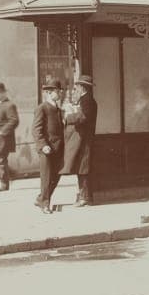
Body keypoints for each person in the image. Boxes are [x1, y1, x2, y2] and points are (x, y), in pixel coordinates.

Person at [60, 75, 95, 207]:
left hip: (84, 140)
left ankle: (84, 198)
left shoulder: (87, 101)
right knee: (82, 168)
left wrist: (68, 118)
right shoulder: (85, 100)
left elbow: (83, 118)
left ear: (82, 87)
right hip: (83, 139)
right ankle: (85, 196)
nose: (76, 89)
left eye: (77, 87)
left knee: (83, 169)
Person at [32, 80, 65, 214]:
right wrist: (43, 145)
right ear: (49, 93)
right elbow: (36, 129)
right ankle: (45, 204)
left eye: (59, 91)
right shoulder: (42, 108)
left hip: (58, 148)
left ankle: (41, 198)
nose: (60, 93)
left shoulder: (58, 109)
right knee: (46, 177)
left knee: (56, 176)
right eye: (58, 91)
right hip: (46, 149)